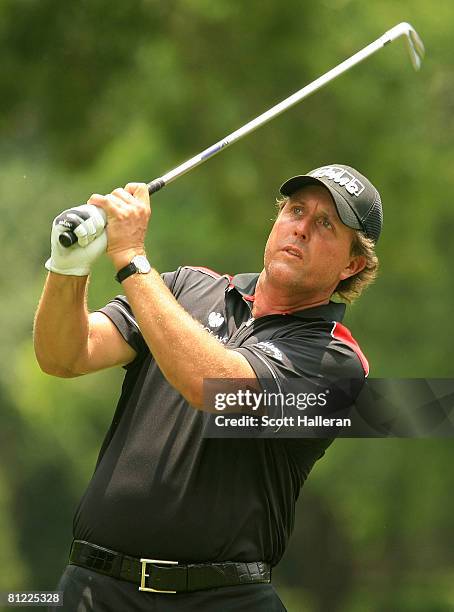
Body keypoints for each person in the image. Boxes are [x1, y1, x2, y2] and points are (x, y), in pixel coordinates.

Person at [34, 163, 382, 611]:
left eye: (325, 224)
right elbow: (65, 356)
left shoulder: (338, 362)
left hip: (223, 600)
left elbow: (216, 388)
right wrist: (68, 266)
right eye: (296, 211)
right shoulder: (185, 288)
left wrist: (132, 259)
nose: (301, 229)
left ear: (352, 265)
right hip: (94, 590)